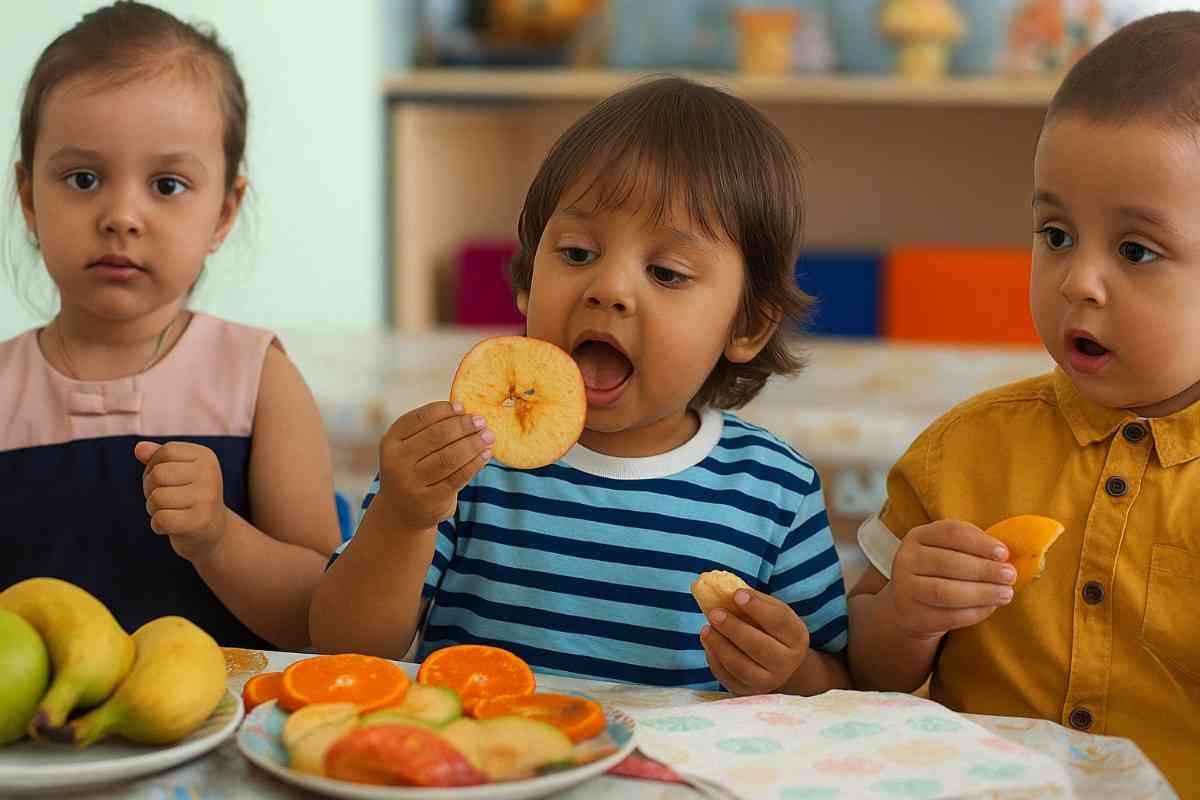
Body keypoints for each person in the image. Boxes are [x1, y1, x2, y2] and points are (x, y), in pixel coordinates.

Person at [311, 77, 851, 694]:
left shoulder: (773, 489)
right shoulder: (461, 456)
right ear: (525, 284)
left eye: (666, 272)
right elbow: (339, 646)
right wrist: (403, 519)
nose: (609, 288)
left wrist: (790, 671)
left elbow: (837, 682)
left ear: (747, 325)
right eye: (575, 254)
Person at [847, 12, 1200, 793]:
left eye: (1136, 250)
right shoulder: (964, 448)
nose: (1079, 280)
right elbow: (860, 670)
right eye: (1056, 234)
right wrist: (907, 611)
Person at [0, 1, 339, 650]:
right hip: (34, 743)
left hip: (224, 737)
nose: (122, 215)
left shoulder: (257, 380)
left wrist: (217, 536)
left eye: (167, 184)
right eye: (83, 178)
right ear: (28, 200)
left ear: (223, 213)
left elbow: (322, 614)